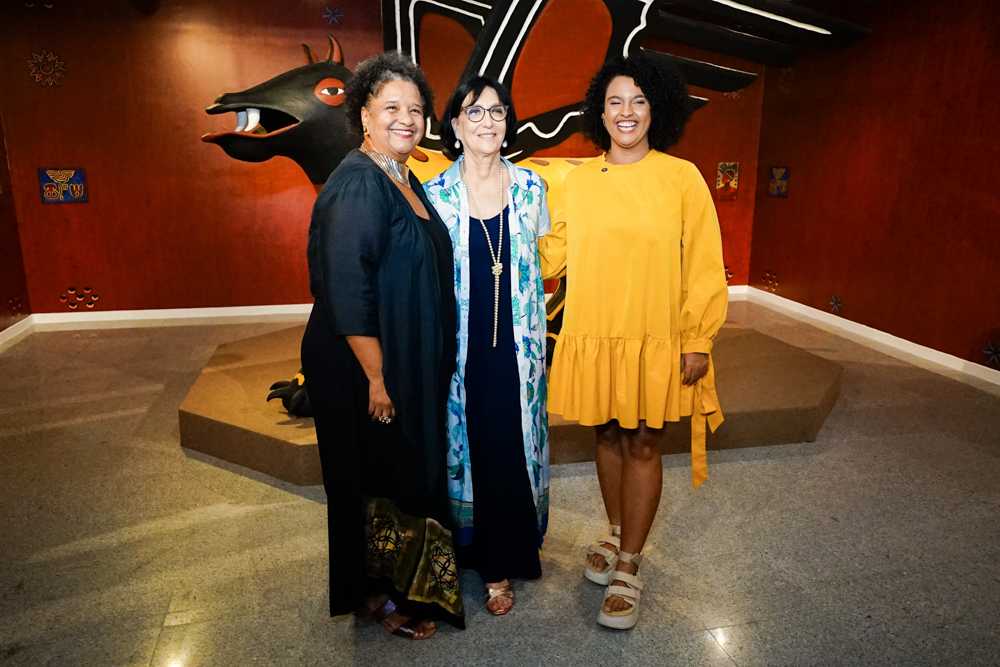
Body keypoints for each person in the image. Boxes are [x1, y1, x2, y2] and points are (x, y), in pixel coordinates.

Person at [540, 55, 728, 630]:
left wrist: (697, 337)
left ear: (657, 110)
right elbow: (551, 254)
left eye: (639, 101)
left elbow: (704, 263)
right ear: (600, 111)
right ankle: (618, 529)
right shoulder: (577, 182)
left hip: (655, 335)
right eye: (616, 101)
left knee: (644, 442)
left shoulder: (682, 177)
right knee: (607, 435)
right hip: (595, 332)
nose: (627, 112)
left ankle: (628, 565)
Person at [300, 51, 463, 640]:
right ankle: (379, 594)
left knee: (397, 471)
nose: (406, 119)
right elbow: (346, 289)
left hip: (397, 357)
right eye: (392, 107)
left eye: (416, 110)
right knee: (376, 477)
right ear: (364, 114)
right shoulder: (357, 183)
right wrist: (376, 377)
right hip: (360, 363)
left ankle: (403, 579)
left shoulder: (401, 174)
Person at [424, 76, 550, 616]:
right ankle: (468, 553)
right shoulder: (434, 196)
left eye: (497, 112)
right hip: (461, 351)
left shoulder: (530, 189)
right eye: (474, 113)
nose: (487, 122)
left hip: (517, 352)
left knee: (508, 447)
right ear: (454, 124)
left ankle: (503, 560)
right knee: (466, 447)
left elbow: (540, 269)